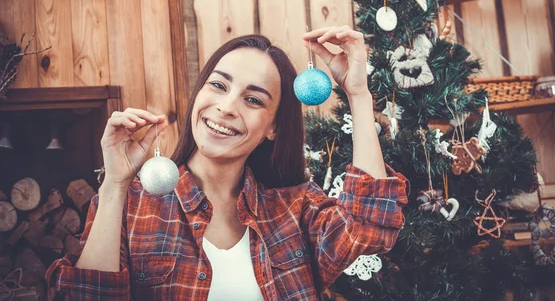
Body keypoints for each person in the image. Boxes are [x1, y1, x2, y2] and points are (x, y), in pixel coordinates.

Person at [46, 26, 409, 300]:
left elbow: (369, 223)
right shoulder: (130, 206)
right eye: (219, 86)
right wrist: (114, 185)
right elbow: (86, 294)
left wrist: (358, 94)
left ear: (272, 128)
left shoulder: (296, 209)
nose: (227, 107)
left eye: (253, 100)